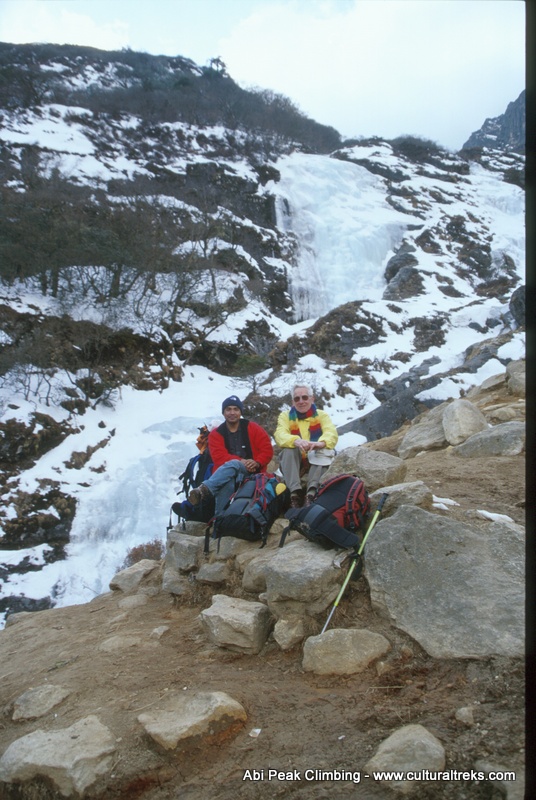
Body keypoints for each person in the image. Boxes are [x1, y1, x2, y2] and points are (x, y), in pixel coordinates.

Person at [188, 395, 273, 515]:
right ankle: (220, 520)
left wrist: (257, 462)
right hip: (226, 475)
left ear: (240, 412)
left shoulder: (253, 428)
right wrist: (240, 462)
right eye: (228, 409)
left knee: (234, 464)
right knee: (227, 482)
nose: (232, 413)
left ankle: (205, 489)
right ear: (223, 413)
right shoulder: (216, 434)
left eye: (235, 409)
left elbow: (267, 449)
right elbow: (219, 457)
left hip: (253, 472)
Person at [274, 383, 338, 507]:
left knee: (324, 450)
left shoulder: (321, 415)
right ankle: (294, 494)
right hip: (296, 461)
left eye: (305, 397)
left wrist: (320, 443)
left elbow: (331, 432)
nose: (301, 401)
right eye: (297, 398)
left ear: (312, 398)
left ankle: (311, 494)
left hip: (316, 459)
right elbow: (280, 434)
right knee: (288, 449)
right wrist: (295, 440)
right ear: (293, 401)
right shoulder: (285, 416)